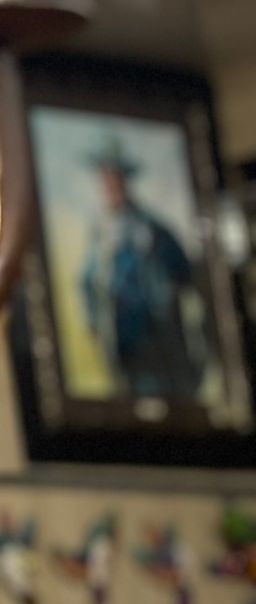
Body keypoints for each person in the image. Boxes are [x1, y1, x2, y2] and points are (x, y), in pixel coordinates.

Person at [80, 137, 206, 404]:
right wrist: (96, 321)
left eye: (116, 178)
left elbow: (184, 274)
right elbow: (88, 283)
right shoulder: (100, 234)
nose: (111, 185)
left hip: (158, 338)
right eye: (107, 179)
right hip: (123, 341)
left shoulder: (153, 230)